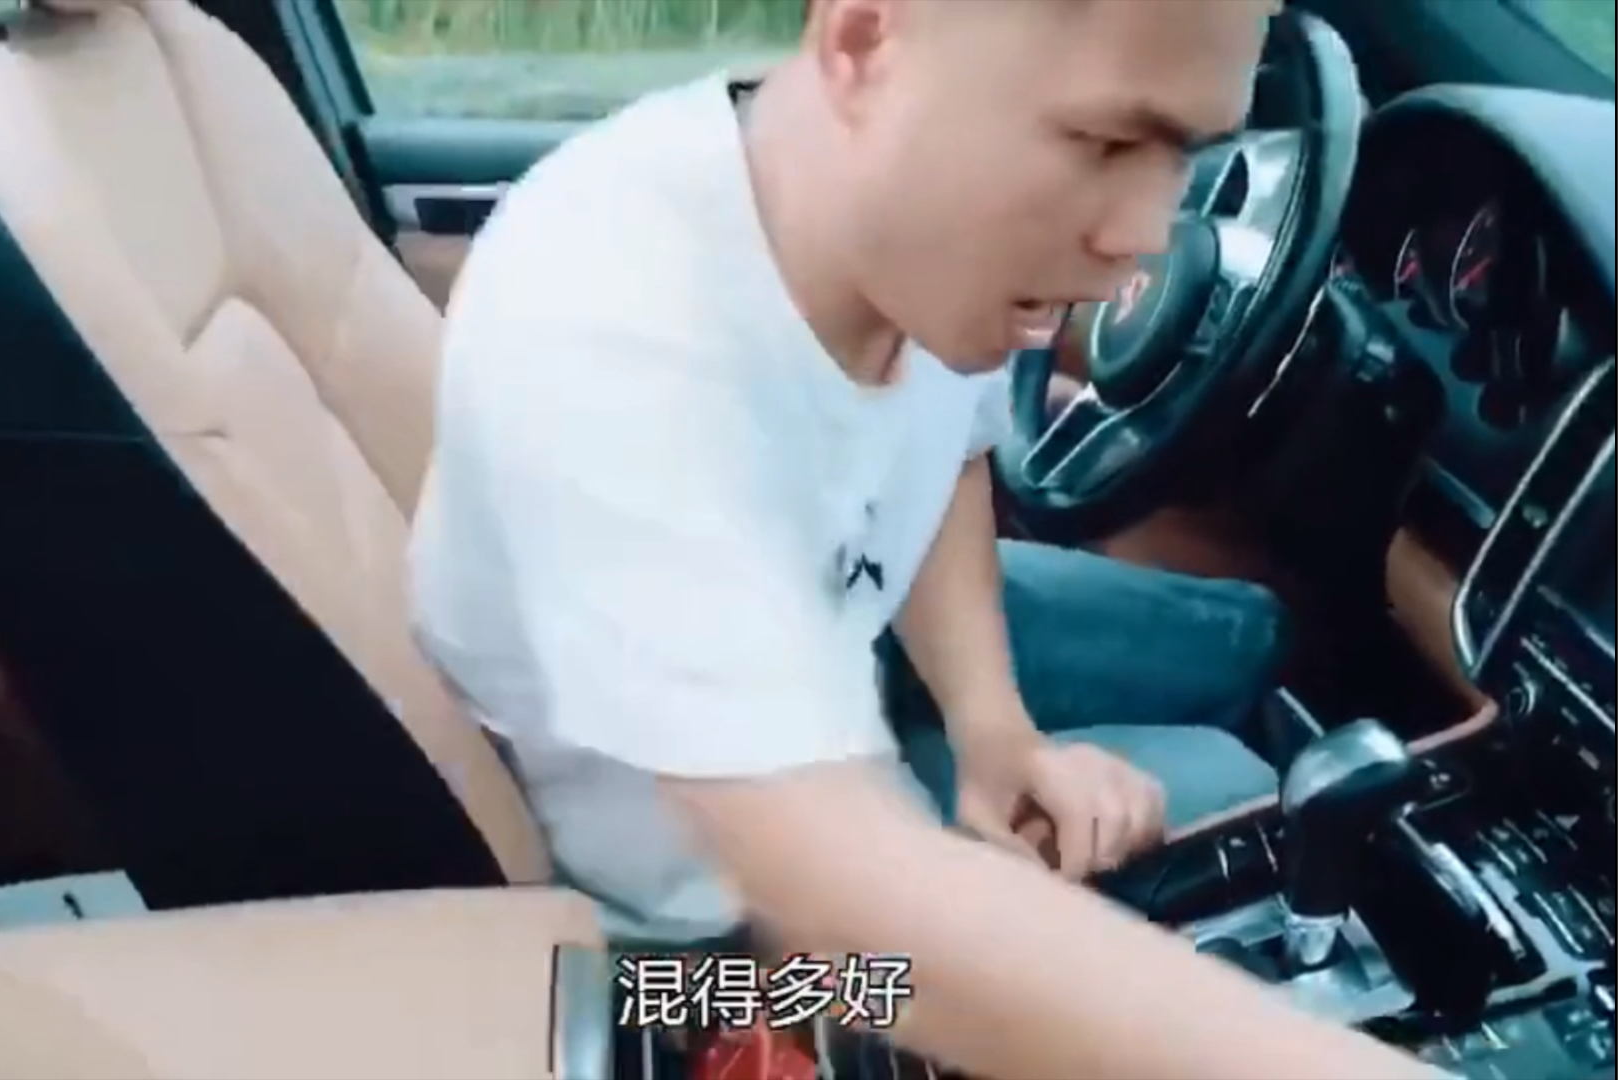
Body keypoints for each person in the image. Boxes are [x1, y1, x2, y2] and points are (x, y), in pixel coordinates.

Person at [409, 1, 1441, 1076]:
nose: (1144, 235)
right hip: (691, 954)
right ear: (864, 41)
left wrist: (992, 727)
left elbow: (942, 450)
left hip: (831, 647)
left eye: (1185, 153)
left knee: (1251, 636)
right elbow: (836, 901)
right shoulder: (606, 328)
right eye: (1104, 141)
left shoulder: (912, 251)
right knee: (1236, 793)